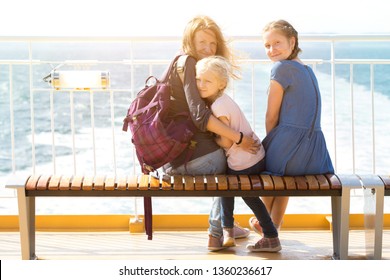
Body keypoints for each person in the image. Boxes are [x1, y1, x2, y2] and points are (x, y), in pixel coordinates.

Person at [161, 16, 259, 246]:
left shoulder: (182, 62)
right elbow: (200, 116)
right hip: (188, 159)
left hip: (172, 157)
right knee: (229, 167)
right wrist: (240, 139)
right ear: (190, 41)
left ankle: (228, 225)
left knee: (223, 155)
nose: (208, 49)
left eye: (212, 44)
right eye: (202, 42)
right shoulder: (189, 63)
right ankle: (217, 233)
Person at [249, 20, 335, 235]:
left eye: (277, 43)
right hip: (315, 155)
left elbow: (271, 115)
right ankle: (274, 226)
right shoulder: (307, 70)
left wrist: (272, 145)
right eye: (267, 46)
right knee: (283, 172)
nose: (272, 50)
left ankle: (265, 224)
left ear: (292, 41)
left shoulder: (281, 68)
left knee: (271, 166)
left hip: (292, 149)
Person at [195, 56, 281, 252]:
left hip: (243, 162)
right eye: (198, 79)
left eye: (207, 81)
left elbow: (225, 140)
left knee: (236, 191)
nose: (201, 85)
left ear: (221, 84)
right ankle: (229, 230)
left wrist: (210, 138)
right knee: (230, 188)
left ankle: (269, 236)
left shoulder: (217, 107)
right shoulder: (224, 100)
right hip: (256, 157)